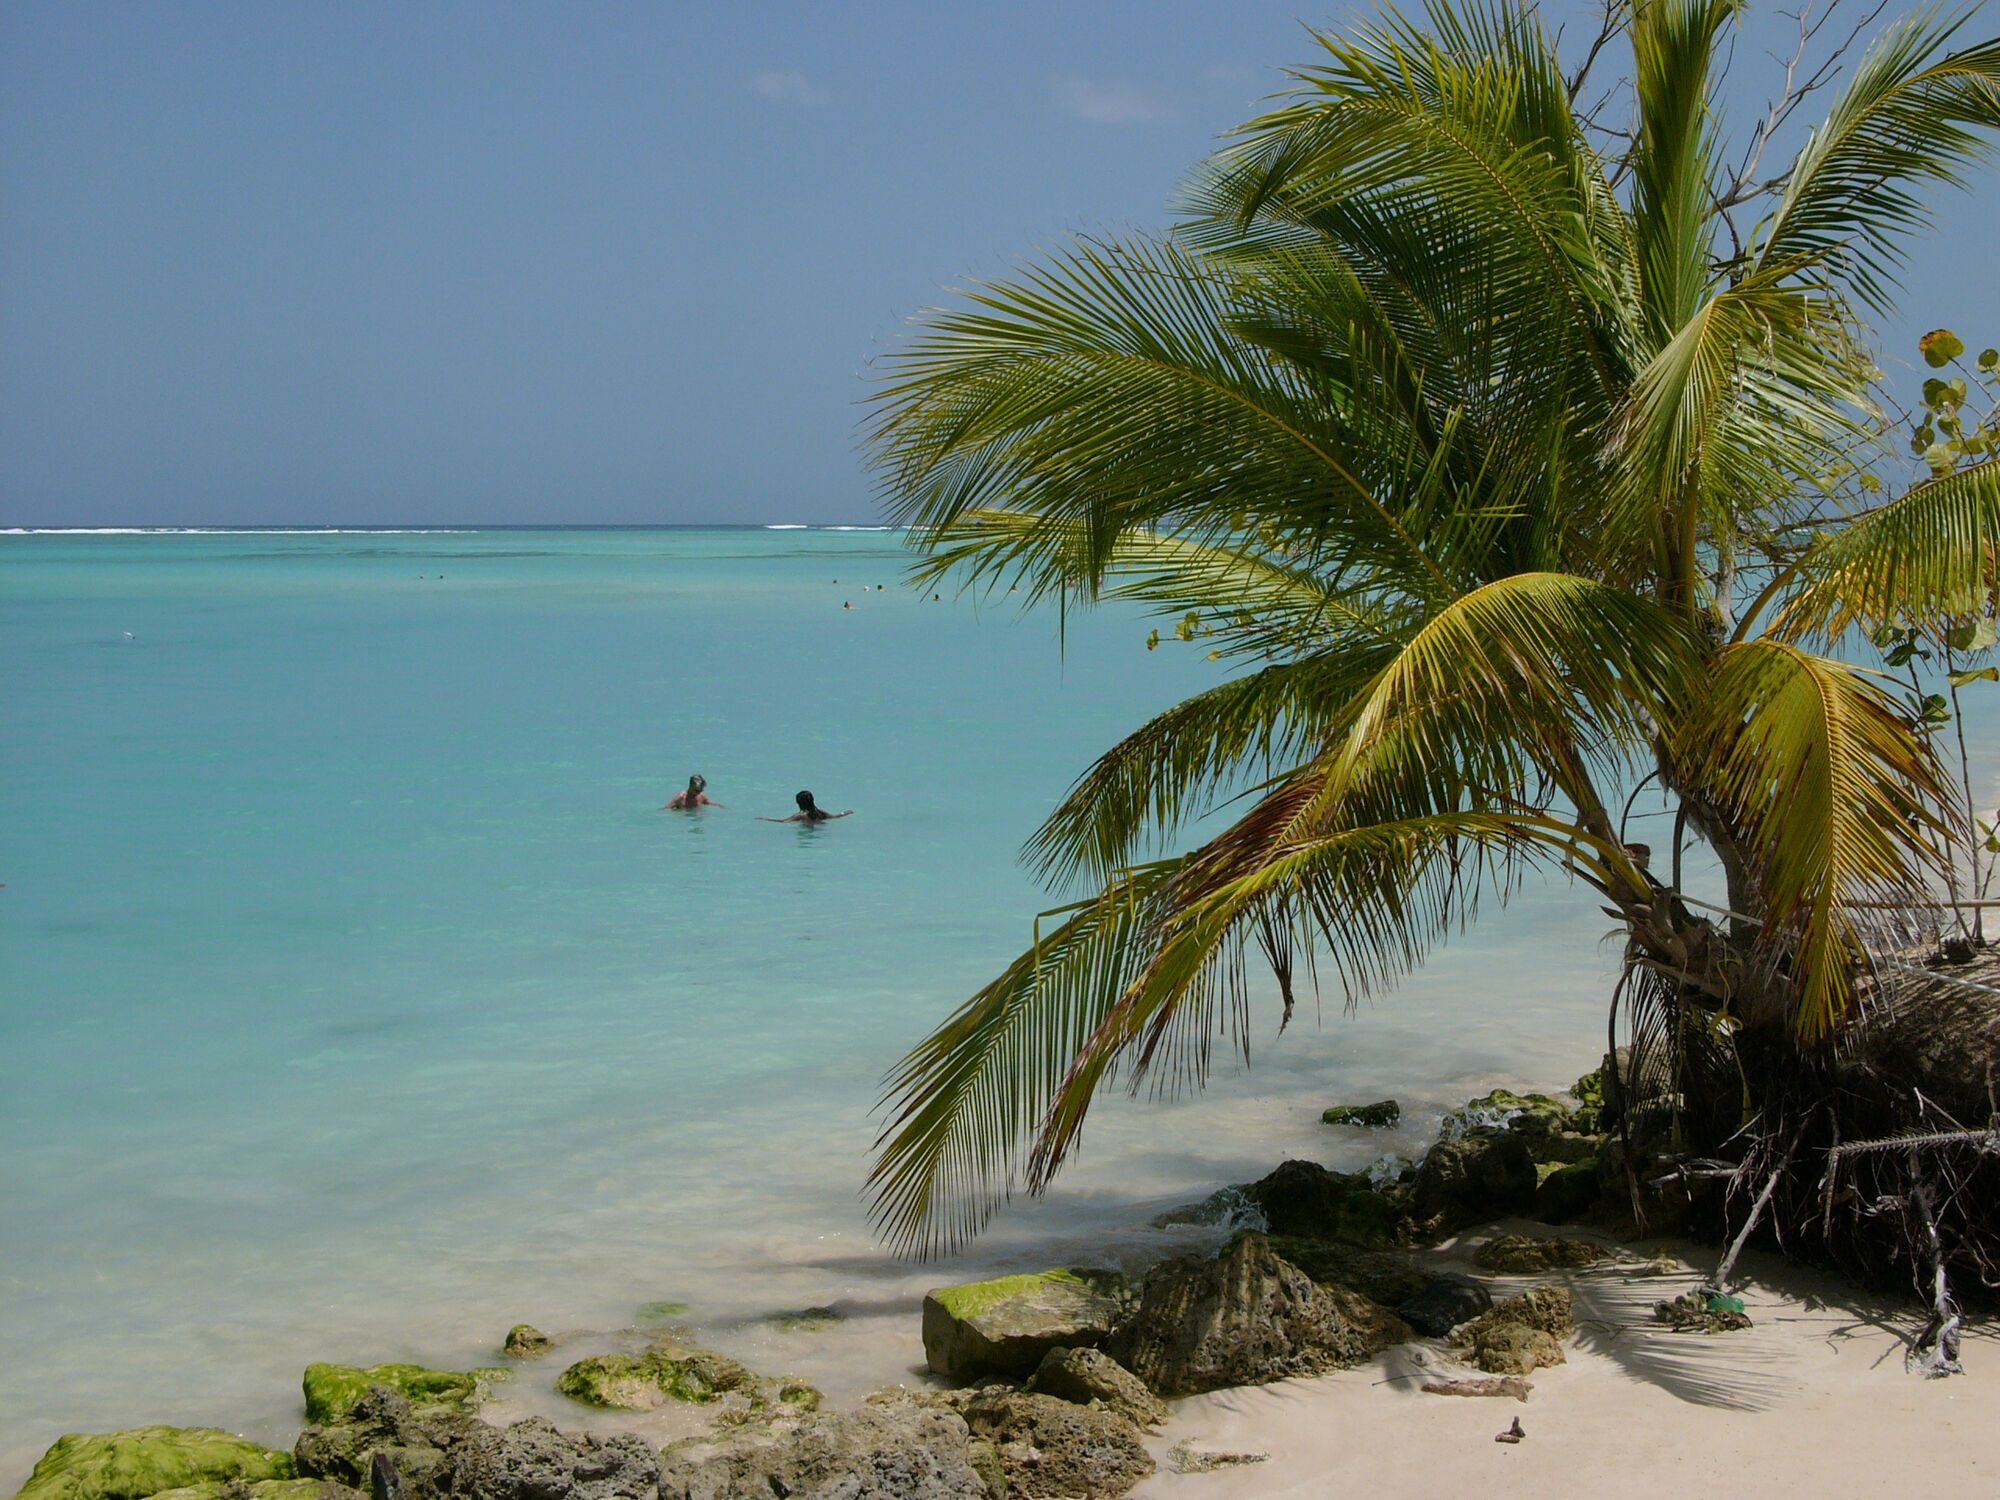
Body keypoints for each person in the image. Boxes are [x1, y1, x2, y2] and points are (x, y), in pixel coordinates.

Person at [759, 790, 852, 825]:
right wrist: (846, 812)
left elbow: (783, 822)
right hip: (821, 827)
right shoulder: (820, 812)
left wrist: (766, 819)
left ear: (798, 803)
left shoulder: (801, 816)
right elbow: (835, 817)